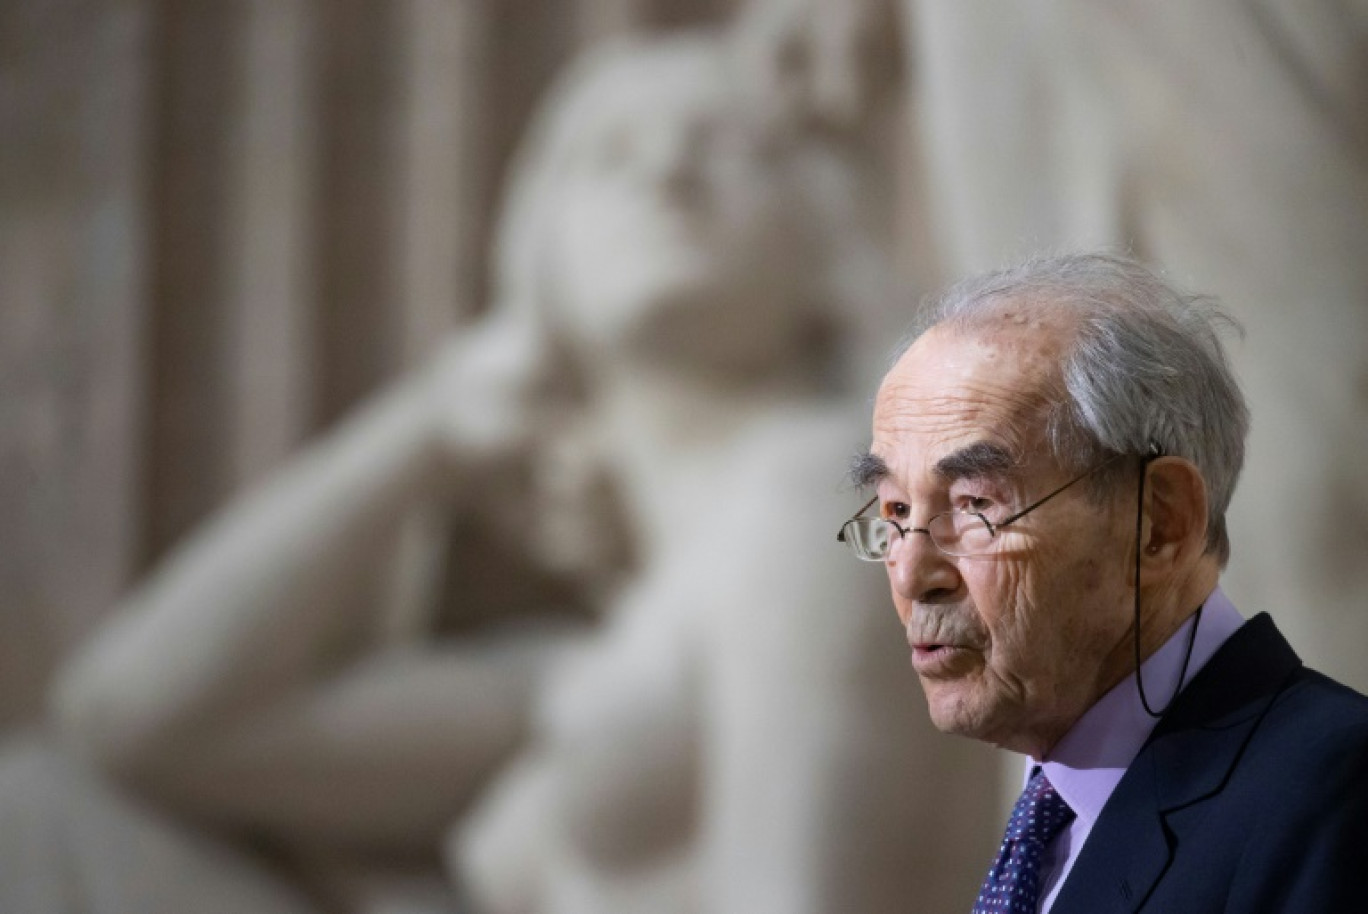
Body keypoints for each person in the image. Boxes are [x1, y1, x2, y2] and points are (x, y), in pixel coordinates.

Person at [837, 251, 1368, 912]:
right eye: (895, 511)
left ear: (1159, 523)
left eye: (976, 506)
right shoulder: (1053, 811)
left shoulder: (1336, 795)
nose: (914, 575)